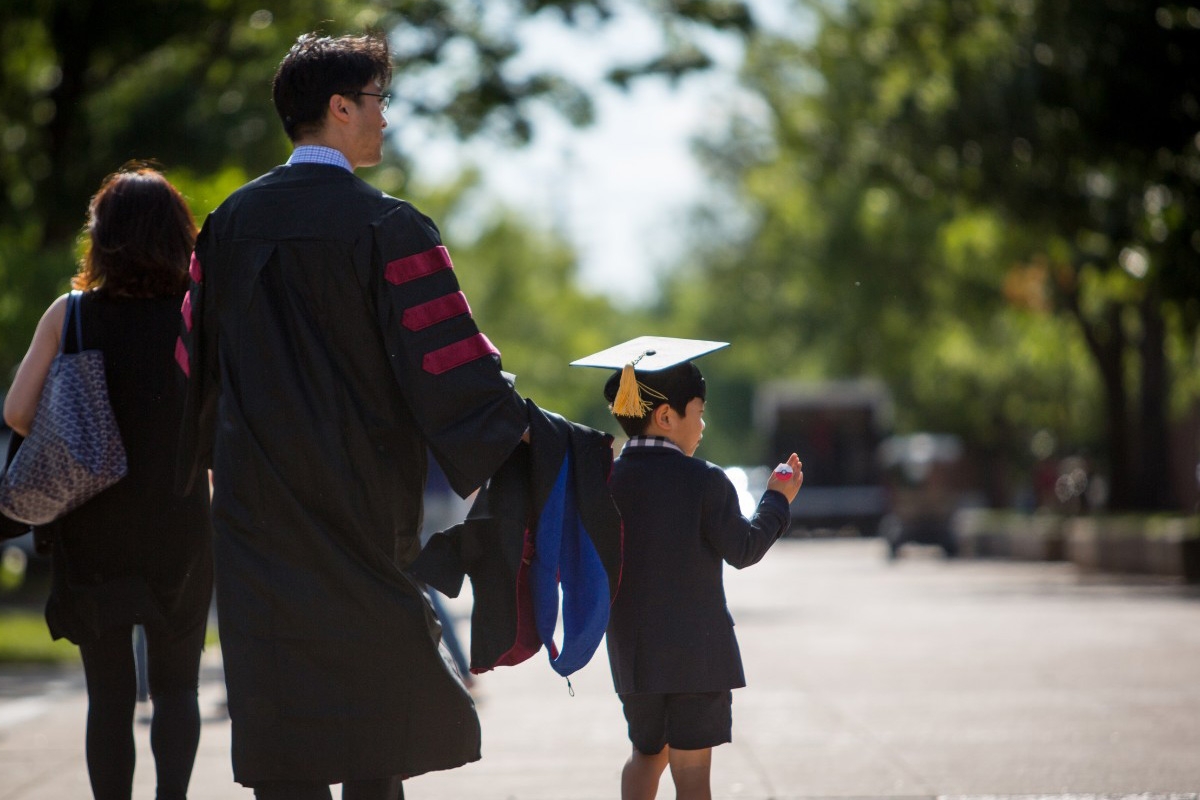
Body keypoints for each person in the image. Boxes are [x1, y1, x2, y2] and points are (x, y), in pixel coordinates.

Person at [174, 32, 530, 799]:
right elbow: (456, 370)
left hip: (258, 520)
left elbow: (189, 375)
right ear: (340, 108)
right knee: (375, 735)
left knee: (283, 735)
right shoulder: (392, 228)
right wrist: (533, 435)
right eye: (378, 102)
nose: (386, 120)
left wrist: (213, 468)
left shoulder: (226, 227)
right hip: (364, 516)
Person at [3, 165, 214, 800]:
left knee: (110, 694)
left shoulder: (70, 315)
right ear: (182, 235)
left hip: (93, 526)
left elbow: (16, 411)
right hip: (179, 525)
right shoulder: (197, 315)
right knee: (177, 687)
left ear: (103, 237)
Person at [571, 336, 804, 800]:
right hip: (697, 653)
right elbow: (744, 548)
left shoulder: (604, 482)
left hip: (633, 653)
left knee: (646, 755)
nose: (702, 425)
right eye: (698, 412)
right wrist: (777, 499)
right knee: (692, 771)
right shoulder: (705, 480)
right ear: (665, 416)